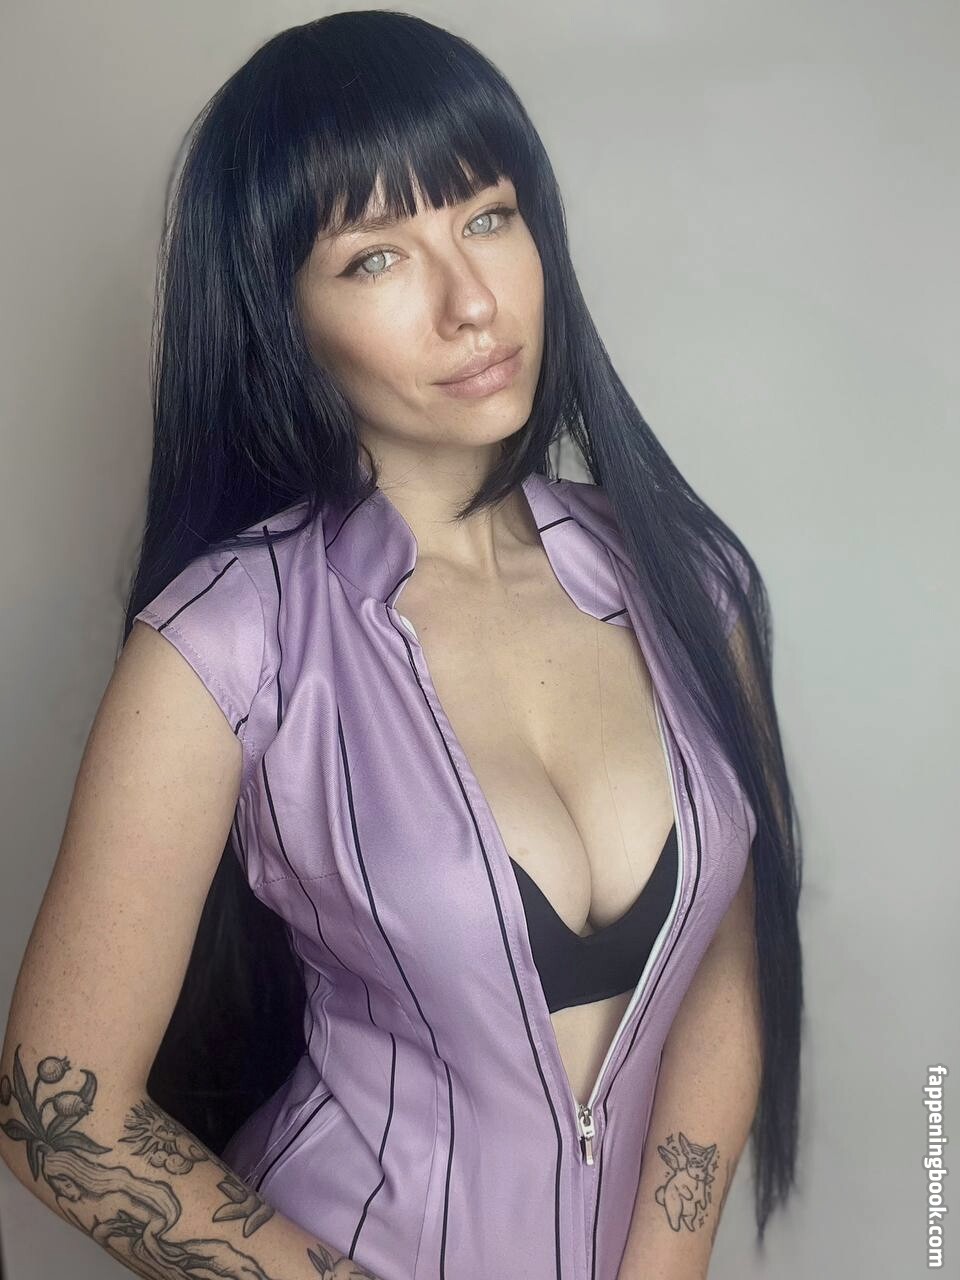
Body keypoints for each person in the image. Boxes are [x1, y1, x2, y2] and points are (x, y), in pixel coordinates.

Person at [0, 11, 802, 1280]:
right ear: (284, 315)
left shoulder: (690, 578)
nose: (473, 303)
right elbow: (60, 1111)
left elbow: (726, 967)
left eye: (489, 216)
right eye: (375, 257)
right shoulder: (226, 638)